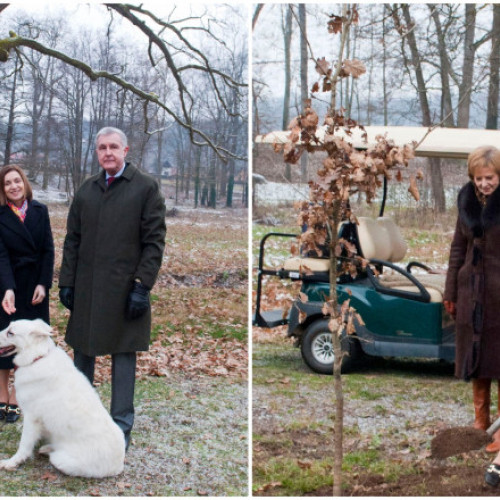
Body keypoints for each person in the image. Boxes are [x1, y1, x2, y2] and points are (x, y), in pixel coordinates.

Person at [59, 126, 166, 450]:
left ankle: (120, 430)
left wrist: (142, 286)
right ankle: (81, 425)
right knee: (82, 358)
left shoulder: (145, 188)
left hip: (125, 290)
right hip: (88, 289)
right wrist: (67, 281)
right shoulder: (87, 190)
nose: (108, 152)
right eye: (102, 147)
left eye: (113, 147)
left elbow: (154, 242)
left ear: (125, 150)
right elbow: (73, 240)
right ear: (97, 152)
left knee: (123, 357)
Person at [442, 146, 500, 486]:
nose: (484, 184)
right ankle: (481, 423)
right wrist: (451, 292)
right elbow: (457, 249)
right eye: (478, 179)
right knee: (478, 360)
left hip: (499, 293)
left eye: (489, 178)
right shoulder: (466, 201)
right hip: (471, 292)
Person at [0, 164, 54, 423]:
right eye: (7, 183)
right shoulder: (0, 214)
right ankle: (1, 394)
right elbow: (0, 256)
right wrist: (7, 288)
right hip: (6, 286)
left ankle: (18, 396)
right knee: (4, 343)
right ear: (3, 189)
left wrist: (43, 284)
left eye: (17, 181)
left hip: (34, 288)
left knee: (29, 343)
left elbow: (47, 250)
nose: (13, 186)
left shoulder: (40, 211)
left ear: (24, 183)